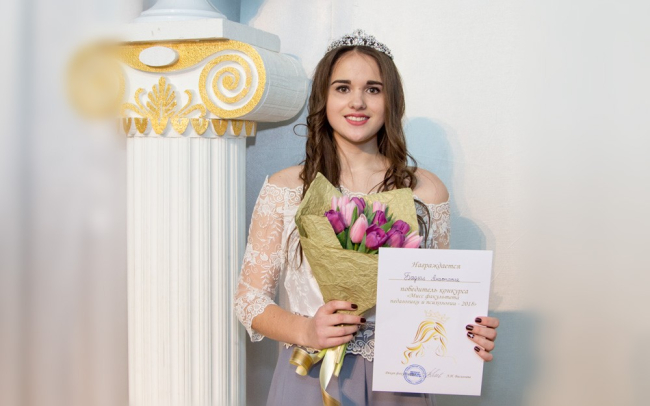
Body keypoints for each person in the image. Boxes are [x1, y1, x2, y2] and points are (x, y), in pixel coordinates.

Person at [235, 30, 499, 406]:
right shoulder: (286, 188)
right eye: (342, 88)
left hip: (400, 383)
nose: (357, 102)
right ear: (323, 98)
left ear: (391, 100)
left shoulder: (426, 192)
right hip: (310, 375)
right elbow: (249, 300)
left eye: (373, 89)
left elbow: (436, 301)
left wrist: (467, 333)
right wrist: (306, 330)